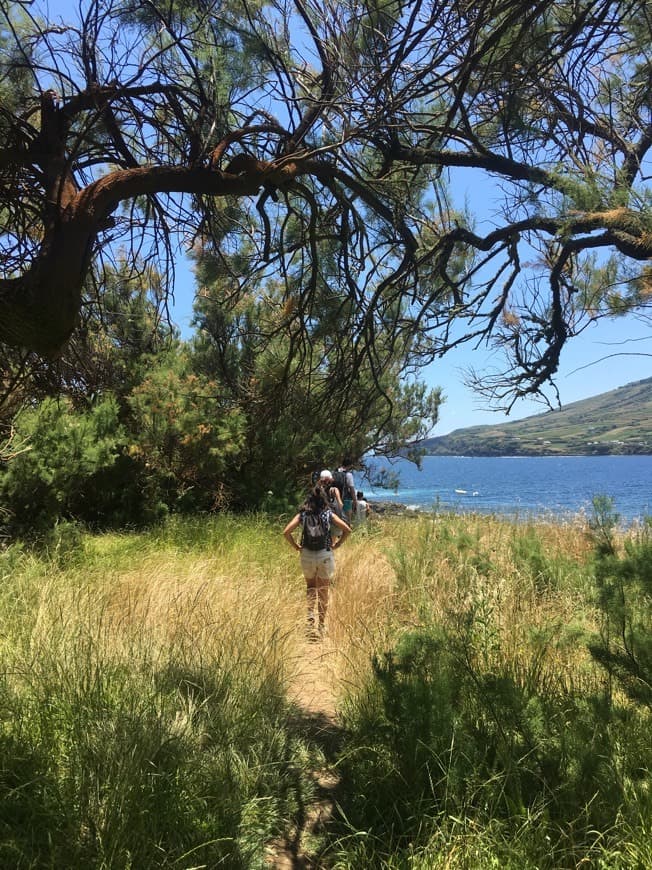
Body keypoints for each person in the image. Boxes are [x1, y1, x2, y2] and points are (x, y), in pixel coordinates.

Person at [283, 484, 351, 639]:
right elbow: (347, 529)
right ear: (324, 500)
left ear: (309, 499)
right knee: (323, 591)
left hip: (306, 554)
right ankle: (321, 625)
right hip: (324, 555)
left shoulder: (303, 515)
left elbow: (286, 532)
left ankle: (310, 617)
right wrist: (337, 544)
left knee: (310, 587)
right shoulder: (328, 514)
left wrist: (297, 546)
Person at [334, 458, 357, 523]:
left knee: (337, 518)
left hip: (335, 498)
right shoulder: (348, 475)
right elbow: (351, 489)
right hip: (346, 499)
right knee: (347, 519)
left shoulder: (335, 472)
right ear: (349, 465)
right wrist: (355, 501)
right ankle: (347, 531)